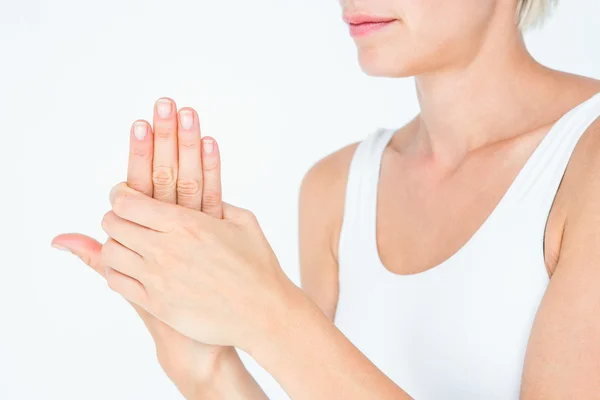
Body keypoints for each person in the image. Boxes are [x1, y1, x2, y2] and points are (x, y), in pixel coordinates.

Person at [52, 0, 600, 398]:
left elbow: (285, 332)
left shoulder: (586, 161)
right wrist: (206, 370)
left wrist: (269, 313)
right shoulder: (336, 188)